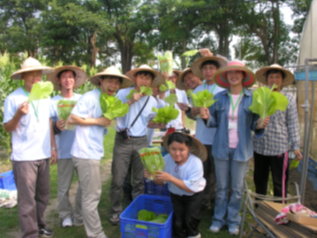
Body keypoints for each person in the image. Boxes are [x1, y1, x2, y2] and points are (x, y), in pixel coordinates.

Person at [200, 60, 269, 235]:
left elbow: (255, 124)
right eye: (230, 72)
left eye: (237, 72)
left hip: (242, 150)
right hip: (221, 149)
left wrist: (261, 124)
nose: (234, 75)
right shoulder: (219, 97)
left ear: (243, 76)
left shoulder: (251, 98)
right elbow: (213, 122)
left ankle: (233, 220)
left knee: (237, 189)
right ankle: (218, 219)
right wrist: (206, 116)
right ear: (226, 76)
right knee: (222, 188)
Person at [68, 66, 132, 238]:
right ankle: (95, 233)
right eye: (110, 80)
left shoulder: (107, 99)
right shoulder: (90, 97)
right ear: (101, 81)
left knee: (84, 188)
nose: (114, 85)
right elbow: (72, 118)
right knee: (92, 195)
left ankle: (78, 217)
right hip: (86, 152)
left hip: (89, 151)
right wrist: (100, 121)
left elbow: (114, 113)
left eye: (117, 81)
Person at [3, 57, 55, 238]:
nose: (36, 77)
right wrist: (18, 114)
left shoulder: (45, 97)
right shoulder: (13, 98)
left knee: (43, 196)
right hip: (24, 157)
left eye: (38, 73)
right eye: (31, 74)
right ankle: (30, 233)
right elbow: (8, 127)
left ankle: (40, 225)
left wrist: (53, 146)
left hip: (44, 154)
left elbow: (49, 121)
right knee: (27, 201)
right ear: (24, 76)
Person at [109, 65, 164, 225]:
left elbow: (150, 122)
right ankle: (116, 211)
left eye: (148, 77)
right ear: (135, 78)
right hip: (123, 139)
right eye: (142, 76)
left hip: (141, 141)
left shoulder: (152, 100)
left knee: (139, 181)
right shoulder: (123, 93)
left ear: (151, 82)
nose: (144, 80)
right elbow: (114, 113)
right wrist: (132, 100)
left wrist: (158, 123)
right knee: (118, 179)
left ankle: (137, 209)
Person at [253, 64, 302, 199]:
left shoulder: (289, 98)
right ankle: (260, 206)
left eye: (277, 77)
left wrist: (295, 146)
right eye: (271, 77)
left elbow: (292, 123)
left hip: (279, 147)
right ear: (267, 79)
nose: (274, 80)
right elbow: (252, 119)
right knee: (259, 179)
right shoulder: (260, 95)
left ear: (282, 80)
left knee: (279, 181)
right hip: (260, 145)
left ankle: (279, 210)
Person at [185, 55, 227, 210]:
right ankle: (203, 202)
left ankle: (216, 202)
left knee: (216, 174)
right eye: (205, 69)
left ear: (217, 70)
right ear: (201, 72)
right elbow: (192, 115)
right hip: (202, 138)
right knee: (201, 171)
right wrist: (191, 111)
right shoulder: (198, 90)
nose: (208, 72)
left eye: (211, 68)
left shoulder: (223, 90)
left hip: (218, 138)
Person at [48, 65, 87, 227]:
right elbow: (49, 127)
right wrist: (53, 147)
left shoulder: (82, 99)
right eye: (64, 77)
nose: (67, 80)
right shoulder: (53, 102)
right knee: (63, 187)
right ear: (58, 80)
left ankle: (79, 214)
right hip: (64, 150)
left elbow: (87, 122)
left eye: (71, 77)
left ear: (75, 80)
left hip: (82, 149)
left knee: (84, 185)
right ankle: (65, 215)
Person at [150, 132, 206, 238]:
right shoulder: (166, 159)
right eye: (173, 149)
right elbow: (160, 182)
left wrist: (170, 178)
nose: (177, 153)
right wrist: (153, 176)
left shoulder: (196, 163)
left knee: (190, 220)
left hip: (194, 195)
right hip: (175, 194)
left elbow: (190, 189)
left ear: (188, 148)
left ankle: (194, 234)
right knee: (178, 221)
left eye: (181, 150)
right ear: (168, 148)